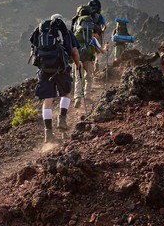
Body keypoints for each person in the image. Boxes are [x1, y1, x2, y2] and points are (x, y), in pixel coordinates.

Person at [31, 14, 81, 143]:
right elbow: (74, 52)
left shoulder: (40, 33)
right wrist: (78, 64)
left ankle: (48, 133)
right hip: (61, 68)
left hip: (44, 70)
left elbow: (34, 52)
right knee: (66, 94)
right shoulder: (65, 32)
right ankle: (62, 118)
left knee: (47, 100)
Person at [73, 31, 108, 108]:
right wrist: (106, 48)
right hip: (89, 60)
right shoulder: (93, 39)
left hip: (78, 60)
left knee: (78, 78)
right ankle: (87, 96)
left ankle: (77, 97)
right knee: (88, 78)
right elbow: (101, 51)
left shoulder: (75, 37)